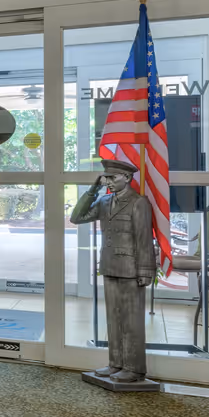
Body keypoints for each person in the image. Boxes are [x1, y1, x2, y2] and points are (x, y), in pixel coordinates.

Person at [69, 156, 160, 392]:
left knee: (132, 321)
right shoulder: (104, 200)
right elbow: (76, 217)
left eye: (112, 177)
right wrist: (92, 190)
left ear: (127, 177)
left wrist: (145, 270)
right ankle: (116, 363)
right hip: (110, 266)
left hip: (131, 269)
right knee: (114, 319)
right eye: (106, 177)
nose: (108, 181)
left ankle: (134, 368)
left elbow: (143, 239)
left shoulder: (138, 203)